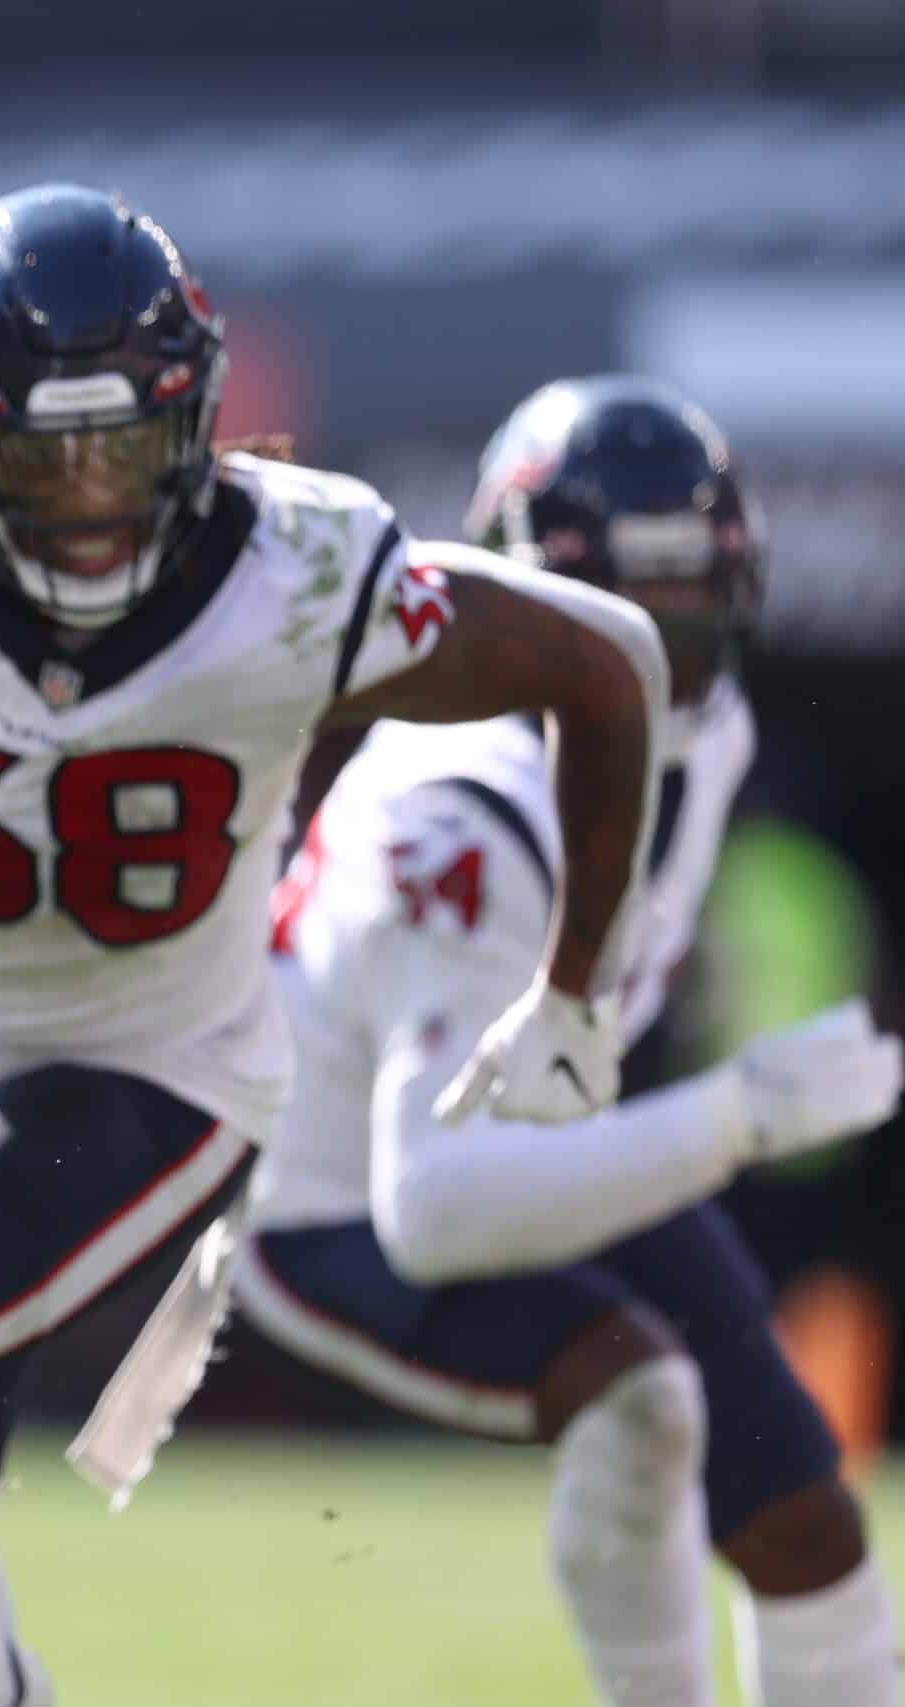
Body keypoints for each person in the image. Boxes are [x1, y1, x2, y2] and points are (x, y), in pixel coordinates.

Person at [0, 184, 671, 1707]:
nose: (89, 497)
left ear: (193, 423)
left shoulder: (299, 572)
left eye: (122, 448)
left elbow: (607, 656)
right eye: (43, 458)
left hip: (153, 1056)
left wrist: (575, 993)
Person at [240, 375, 903, 1707]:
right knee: (641, 1397)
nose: (649, 654)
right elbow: (430, 1208)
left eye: (685, 607)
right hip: (328, 1211)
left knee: (806, 1517)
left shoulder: (709, 733)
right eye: (613, 614)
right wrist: (746, 1115)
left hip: (542, 1135)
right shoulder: (455, 812)